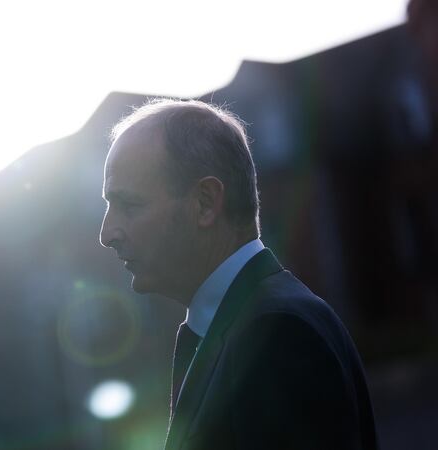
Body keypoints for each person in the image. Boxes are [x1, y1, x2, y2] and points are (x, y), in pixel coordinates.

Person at [99, 99, 379, 450]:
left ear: (205, 202)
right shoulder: (245, 324)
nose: (107, 233)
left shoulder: (277, 333)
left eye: (129, 205)